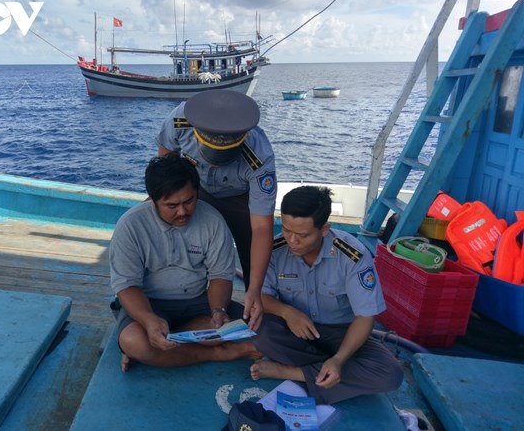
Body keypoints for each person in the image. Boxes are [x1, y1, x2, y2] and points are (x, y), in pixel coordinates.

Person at [249, 186, 404, 404]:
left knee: (390, 374)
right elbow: (260, 297)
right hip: (295, 329)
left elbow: (365, 316)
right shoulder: (274, 250)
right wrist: (287, 312)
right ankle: (328, 374)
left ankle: (293, 372)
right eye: (286, 230)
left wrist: (339, 359)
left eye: (302, 235)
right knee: (259, 329)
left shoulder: (353, 256)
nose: (292, 241)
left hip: (341, 333)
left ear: (324, 229)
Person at [109, 155, 259, 371]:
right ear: (153, 199)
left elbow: (220, 276)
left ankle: (156, 351)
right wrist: (148, 320)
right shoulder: (130, 225)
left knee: (243, 328)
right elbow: (126, 285)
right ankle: (219, 353)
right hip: (149, 304)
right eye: (172, 205)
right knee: (134, 341)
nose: (183, 212)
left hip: (198, 304)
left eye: (189, 201)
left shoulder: (213, 221)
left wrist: (218, 309)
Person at [157, 90, 277, 330]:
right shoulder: (180, 120)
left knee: (253, 257)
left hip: (240, 198)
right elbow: (166, 160)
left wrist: (255, 289)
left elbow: (262, 228)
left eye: (224, 158)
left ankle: (255, 305)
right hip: (196, 187)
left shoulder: (260, 157)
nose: (215, 163)